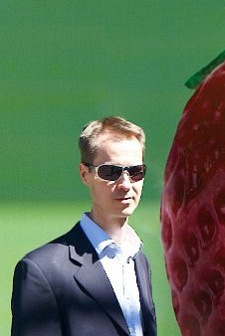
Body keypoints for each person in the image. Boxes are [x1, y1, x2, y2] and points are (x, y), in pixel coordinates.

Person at [11, 116, 157, 336]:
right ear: (84, 174)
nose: (126, 184)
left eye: (136, 171)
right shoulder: (41, 271)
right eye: (111, 172)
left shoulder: (138, 259)